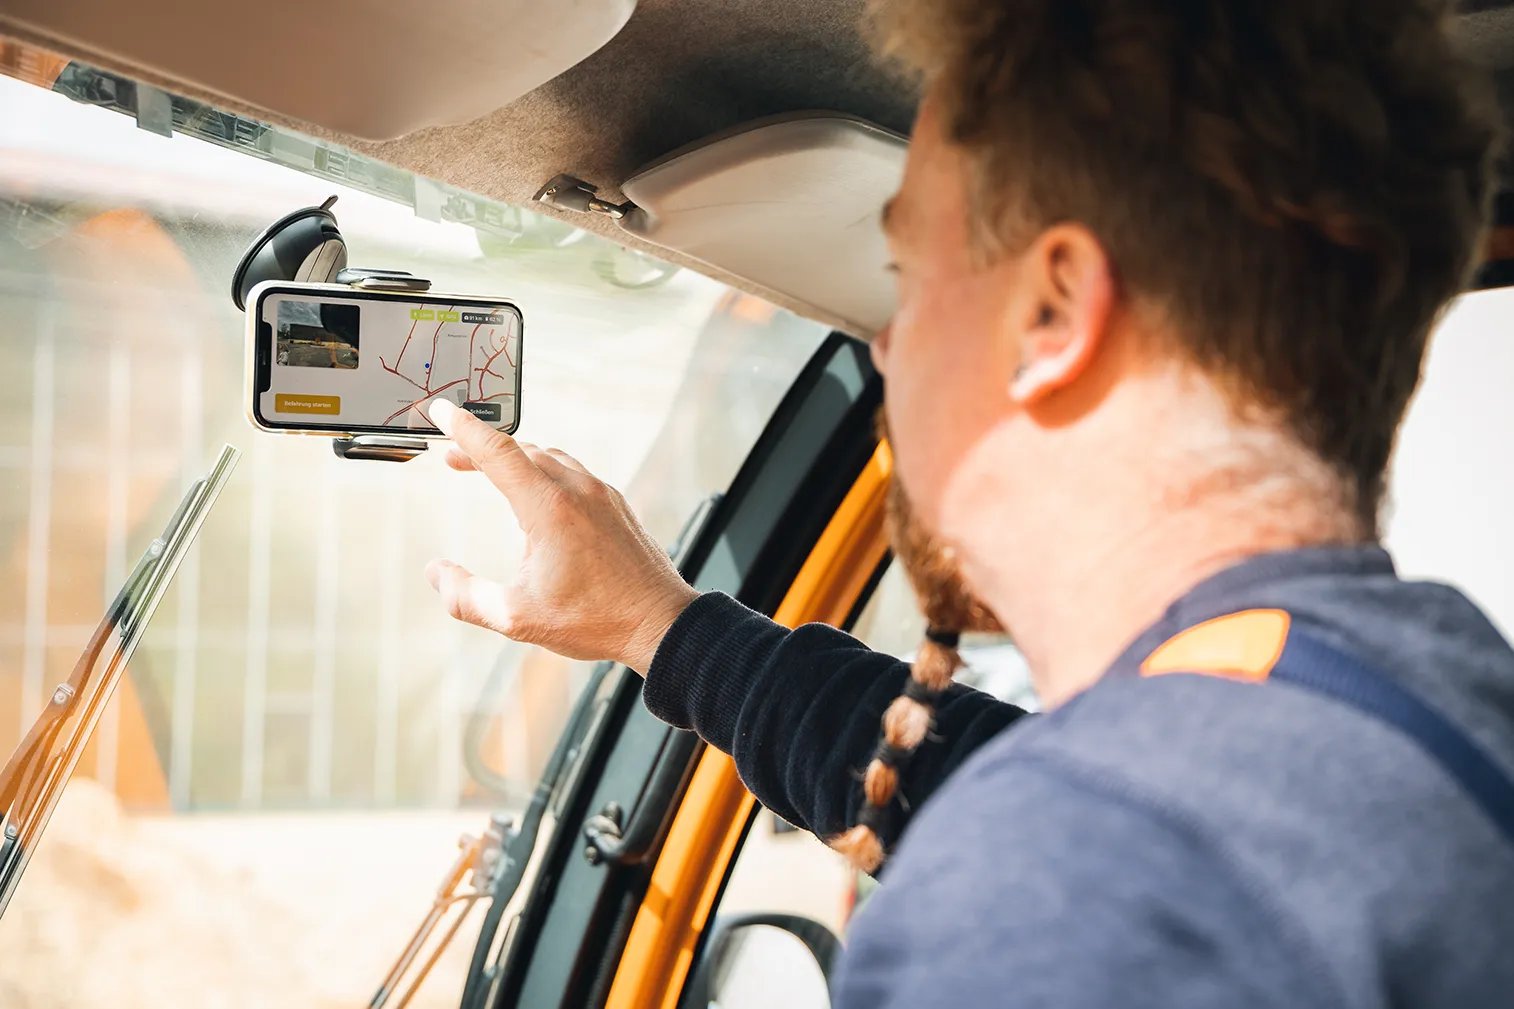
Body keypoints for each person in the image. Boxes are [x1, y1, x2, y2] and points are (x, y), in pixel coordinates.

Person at [422, 0, 1514, 1004]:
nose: (884, 347)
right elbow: (981, 775)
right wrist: (656, 625)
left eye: (905, 279)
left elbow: (1066, 843)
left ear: (1051, 313)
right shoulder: (1428, 700)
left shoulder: (1066, 900)